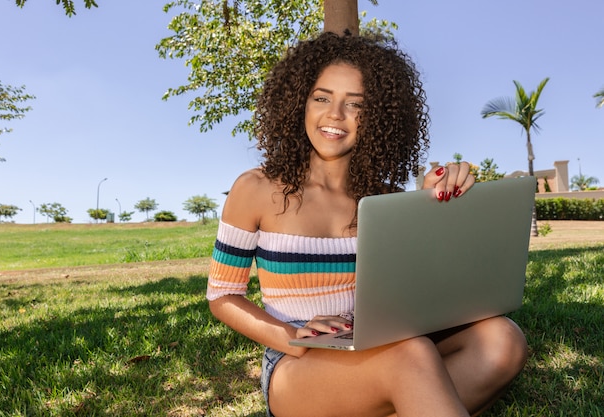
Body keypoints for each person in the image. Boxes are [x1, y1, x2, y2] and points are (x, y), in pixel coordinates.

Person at [207, 32, 528, 417]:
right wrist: (295, 336)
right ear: (299, 103)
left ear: (376, 117)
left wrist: (437, 211)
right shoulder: (256, 188)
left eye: (354, 104)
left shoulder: (387, 199)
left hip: (382, 346)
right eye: (322, 97)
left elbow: (418, 293)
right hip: (297, 365)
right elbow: (223, 295)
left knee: (502, 339)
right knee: (410, 353)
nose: (335, 115)